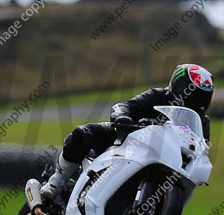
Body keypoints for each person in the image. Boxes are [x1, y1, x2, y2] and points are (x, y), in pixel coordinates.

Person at [41, 63, 214, 201]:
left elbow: (201, 147)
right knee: (84, 133)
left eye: (201, 97)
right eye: (192, 94)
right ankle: (57, 181)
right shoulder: (158, 96)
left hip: (165, 160)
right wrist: (123, 117)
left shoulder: (201, 122)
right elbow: (125, 106)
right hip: (128, 138)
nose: (195, 100)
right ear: (179, 86)